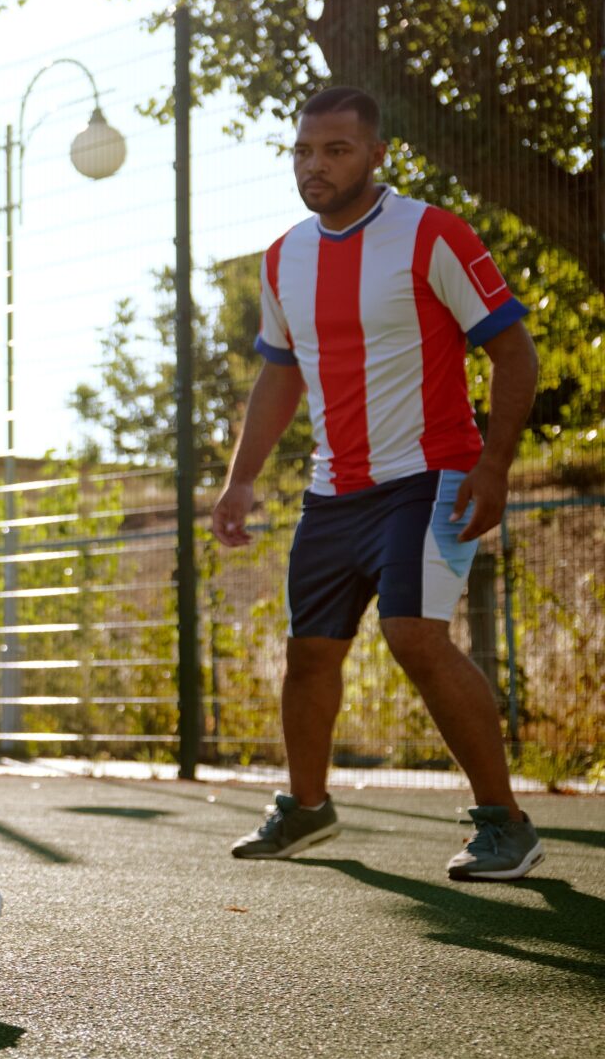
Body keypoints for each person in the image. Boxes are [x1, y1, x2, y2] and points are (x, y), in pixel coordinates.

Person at [213, 87, 544, 879]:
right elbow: (279, 375)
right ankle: (307, 808)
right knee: (309, 653)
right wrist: (239, 481)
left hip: (432, 475)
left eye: (336, 150)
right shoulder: (283, 255)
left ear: (376, 154)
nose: (315, 165)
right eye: (303, 151)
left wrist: (494, 465)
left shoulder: (432, 233)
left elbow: (514, 353)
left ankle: (507, 821)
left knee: (414, 634)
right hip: (334, 491)